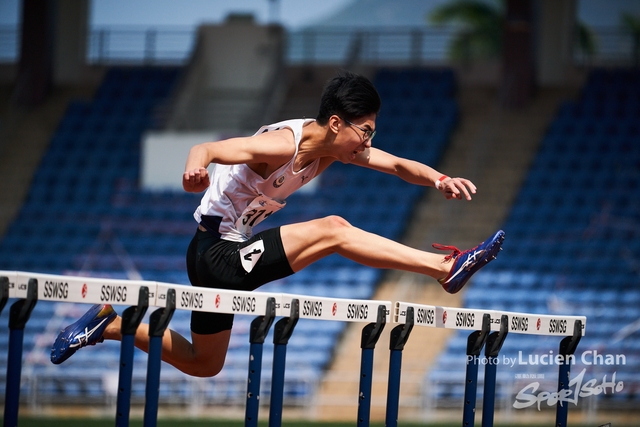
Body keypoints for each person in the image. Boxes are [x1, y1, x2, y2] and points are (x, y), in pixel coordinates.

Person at [51, 71, 504, 377]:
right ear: (334, 123)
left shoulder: (333, 147)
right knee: (334, 228)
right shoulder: (278, 145)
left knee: (204, 363)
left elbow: (400, 165)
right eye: (364, 131)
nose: (369, 142)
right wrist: (194, 169)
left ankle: (107, 326)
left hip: (230, 253)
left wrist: (441, 178)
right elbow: (209, 150)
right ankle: (444, 268)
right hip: (215, 252)